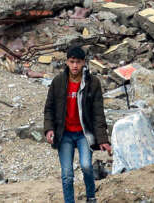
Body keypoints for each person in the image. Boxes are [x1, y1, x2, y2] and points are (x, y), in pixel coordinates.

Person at [44, 46, 110, 203]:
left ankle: (91, 197)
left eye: (78, 62)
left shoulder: (92, 83)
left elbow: (98, 113)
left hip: (84, 134)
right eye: (72, 62)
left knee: (87, 166)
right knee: (67, 174)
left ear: (84, 63)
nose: (75, 66)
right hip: (64, 133)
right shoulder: (58, 82)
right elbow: (49, 109)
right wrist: (49, 129)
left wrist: (103, 139)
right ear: (66, 62)